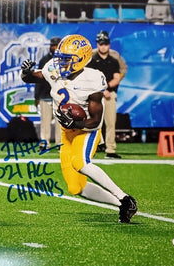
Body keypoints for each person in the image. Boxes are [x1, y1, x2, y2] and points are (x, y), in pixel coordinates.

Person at [20, 34, 138, 223]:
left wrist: (75, 123)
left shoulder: (92, 79)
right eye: (60, 58)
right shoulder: (53, 68)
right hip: (66, 132)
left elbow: (96, 121)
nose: (60, 63)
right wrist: (25, 72)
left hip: (86, 130)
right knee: (76, 188)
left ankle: (124, 197)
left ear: (81, 59)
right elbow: (32, 77)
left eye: (66, 60)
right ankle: (122, 205)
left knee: (80, 163)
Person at [87, 31, 123, 159]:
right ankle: (91, 148)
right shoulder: (91, 60)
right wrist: (102, 90)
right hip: (95, 95)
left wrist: (107, 88)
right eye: (101, 44)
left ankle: (110, 149)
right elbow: (89, 79)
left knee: (111, 122)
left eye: (105, 44)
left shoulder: (113, 61)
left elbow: (117, 78)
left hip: (109, 94)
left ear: (109, 45)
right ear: (97, 44)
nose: (103, 47)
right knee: (93, 123)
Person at [34, 36, 62, 150]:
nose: (54, 48)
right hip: (45, 95)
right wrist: (37, 96)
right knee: (45, 122)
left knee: (60, 122)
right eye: (53, 45)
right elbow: (38, 79)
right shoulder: (44, 60)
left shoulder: (65, 60)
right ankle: (44, 143)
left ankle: (60, 143)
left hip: (59, 96)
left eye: (57, 45)